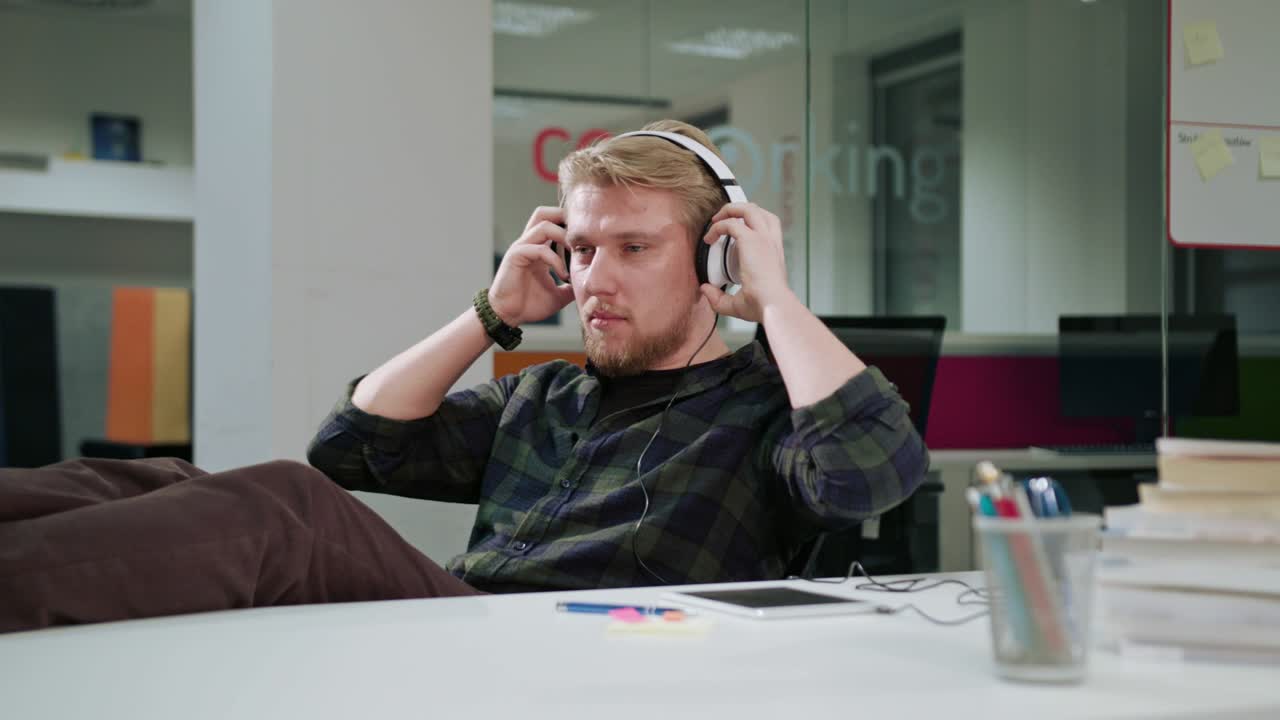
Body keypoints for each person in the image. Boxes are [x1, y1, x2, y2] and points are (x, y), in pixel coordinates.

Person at [0, 120, 927, 633]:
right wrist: (491, 314)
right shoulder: (545, 395)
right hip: (465, 629)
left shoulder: (766, 410)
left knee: (286, 508)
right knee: (160, 480)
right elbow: (354, 447)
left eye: (634, 248)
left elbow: (871, 472)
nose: (594, 279)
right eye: (584, 247)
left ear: (714, 261)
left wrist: (775, 302)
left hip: (567, 652)